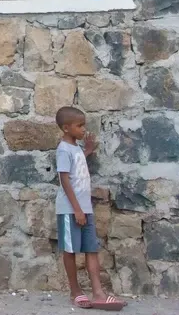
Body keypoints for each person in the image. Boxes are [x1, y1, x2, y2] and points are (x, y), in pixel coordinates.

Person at [55, 107, 127, 311]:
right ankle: (75, 291)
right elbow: (64, 179)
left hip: (85, 208)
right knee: (70, 250)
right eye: (80, 126)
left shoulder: (75, 148)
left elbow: (77, 166)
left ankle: (98, 293)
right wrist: (76, 210)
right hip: (70, 209)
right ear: (66, 128)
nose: (84, 129)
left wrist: (86, 150)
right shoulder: (63, 149)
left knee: (91, 249)